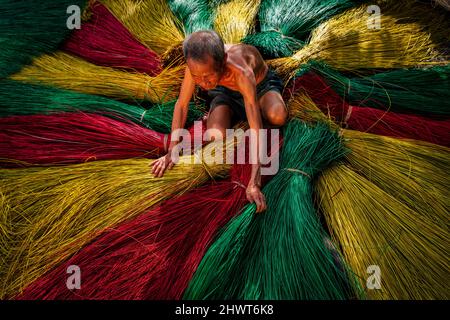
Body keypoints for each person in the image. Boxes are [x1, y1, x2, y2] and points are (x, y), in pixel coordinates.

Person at [151, 30, 287, 213]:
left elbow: (256, 129)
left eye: (207, 76)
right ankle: (226, 111)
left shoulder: (241, 72)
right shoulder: (197, 69)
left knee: (278, 116)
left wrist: (254, 181)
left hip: (259, 89)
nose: (202, 83)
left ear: (223, 61)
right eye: (197, 77)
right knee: (215, 136)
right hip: (225, 93)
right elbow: (182, 105)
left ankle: (242, 115)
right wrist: (172, 151)